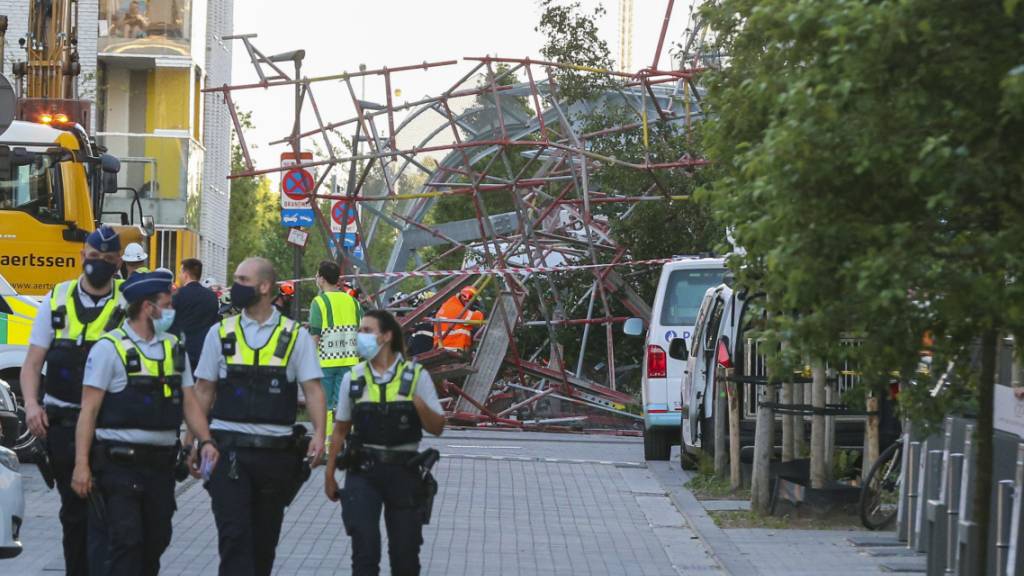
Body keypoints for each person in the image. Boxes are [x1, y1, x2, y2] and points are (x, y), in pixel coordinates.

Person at [70, 270, 216, 576]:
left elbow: (189, 400)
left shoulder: (174, 348)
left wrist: (205, 441)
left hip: (159, 469)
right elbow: (89, 411)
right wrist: (81, 465)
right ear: (148, 307)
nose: (171, 310)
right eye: (167, 303)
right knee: (126, 542)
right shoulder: (109, 349)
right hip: (118, 467)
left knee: (156, 541)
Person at [189, 257, 327, 576]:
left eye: (242, 280)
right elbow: (204, 390)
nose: (235, 286)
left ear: (264, 287)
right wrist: (195, 439)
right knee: (234, 537)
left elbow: (314, 389)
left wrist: (319, 435)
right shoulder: (220, 333)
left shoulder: (295, 336)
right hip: (227, 453)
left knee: (263, 545)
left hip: (275, 457)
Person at [20, 225, 125, 576]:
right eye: (93, 258)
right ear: (82, 257)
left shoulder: (128, 302)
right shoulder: (58, 298)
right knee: (74, 514)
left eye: (108, 260)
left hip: (109, 426)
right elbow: (33, 363)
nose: (99, 265)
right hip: (63, 424)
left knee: (109, 515)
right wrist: (32, 405)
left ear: (118, 262)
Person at [325, 309, 446, 576]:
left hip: (404, 472)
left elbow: (437, 427)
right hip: (363, 473)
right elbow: (340, 430)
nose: (360, 336)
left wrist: (416, 401)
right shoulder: (353, 378)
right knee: (365, 552)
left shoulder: (415, 376)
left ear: (386, 336)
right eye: (359, 331)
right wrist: (329, 473)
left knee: (405, 556)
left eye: (367, 331)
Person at [309, 260, 361, 435]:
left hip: (326, 361)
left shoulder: (319, 302)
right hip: (349, 361)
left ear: (322, 279)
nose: (316, 278)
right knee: (344, 404)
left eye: (317, 275)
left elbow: (315, 334)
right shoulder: (353, 302)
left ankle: (326, 445)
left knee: (324, 405)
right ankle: (345, 442)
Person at [170, 258, 221, 371]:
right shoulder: (212, 297)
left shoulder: (178, 295)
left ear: (185, 274)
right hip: (205, 351)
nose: (179, 275)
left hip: (183, 352)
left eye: (180, 272)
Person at [434, 286, 485, 353]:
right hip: (452, 346)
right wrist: (481, 309)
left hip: (446, 345)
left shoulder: (450, 304)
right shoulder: (456, 308)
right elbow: (478, 319)